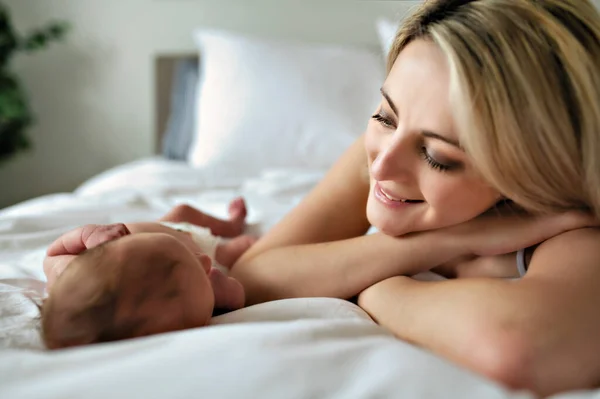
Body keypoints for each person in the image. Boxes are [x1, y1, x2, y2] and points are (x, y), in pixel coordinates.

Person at [230, 0, 600, 395]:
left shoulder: (570, 230)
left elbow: (516, 351)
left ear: (528, 175)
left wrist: (374, 288)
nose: (382, 166)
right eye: (385, 117)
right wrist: (448, 241)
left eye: (437, 157)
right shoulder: (383, 153)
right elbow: (249, 278)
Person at [41, 199, 254, 349]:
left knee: (182, 211)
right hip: (205, 245)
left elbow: (52, 254)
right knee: (243, 247)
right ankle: (240, 238)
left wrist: (88, 234)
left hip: (167, 227)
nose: (204, 262)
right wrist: (227, 291)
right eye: (202, 274)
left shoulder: (69, 272)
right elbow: (240, 296)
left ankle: (231, 225)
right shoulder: (191, 303)